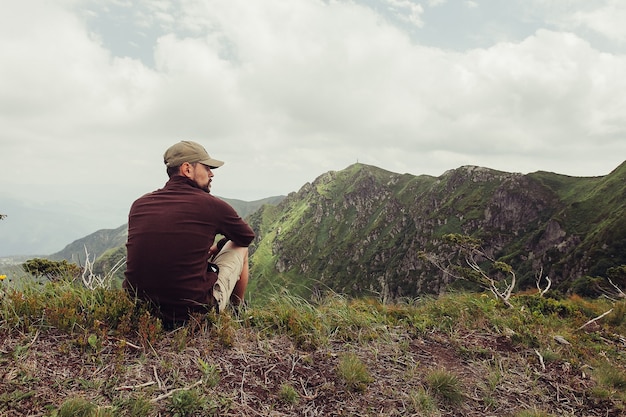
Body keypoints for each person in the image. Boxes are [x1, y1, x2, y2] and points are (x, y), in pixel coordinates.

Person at [123, 140, 255, 326]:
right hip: (192, 314)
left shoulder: (139, 204)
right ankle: (236, 312)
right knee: (241, 248)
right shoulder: (212, 205)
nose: (211, 173)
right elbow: (246, 237)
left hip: (139, 308)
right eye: (207, 167)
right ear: (187, 169)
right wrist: (219, 246)